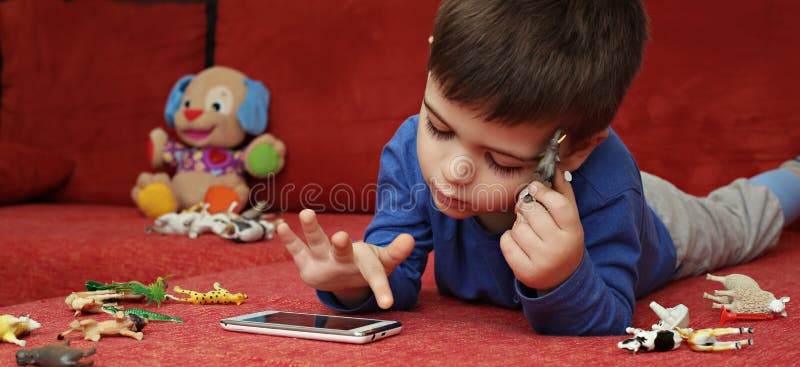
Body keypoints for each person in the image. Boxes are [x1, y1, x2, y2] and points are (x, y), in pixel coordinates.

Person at [276, 0, 800, 335]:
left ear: (575, 149)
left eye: (500, 160)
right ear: (432, 62)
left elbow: (609, 314)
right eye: (439, 128)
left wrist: (562, 277)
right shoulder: (411, 151)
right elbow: (395, 271)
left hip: (661, 220)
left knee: (738, 219)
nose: (453, 170)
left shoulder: (609, 188)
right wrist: (353, 284)